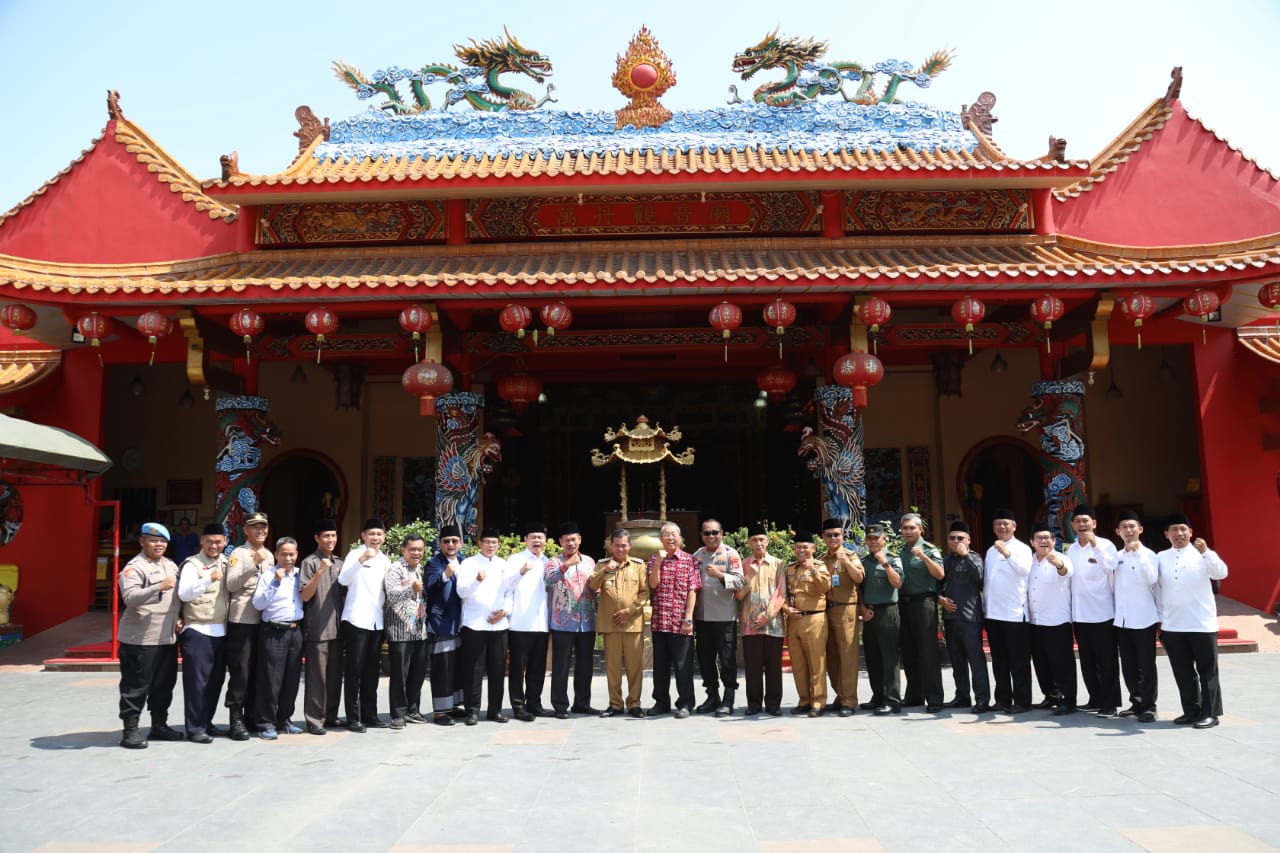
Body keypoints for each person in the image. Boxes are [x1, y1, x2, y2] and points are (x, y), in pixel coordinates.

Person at [1156, 513, 1229, 729]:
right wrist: (1161, 619)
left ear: (1190, 532)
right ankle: (1191, 711)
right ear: (1166, 534)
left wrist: (1206, 552)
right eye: (1174, 530)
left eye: (1183, 529)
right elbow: (1156, 589)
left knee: (1208, 671)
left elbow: (1221, 573)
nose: (1179, 533)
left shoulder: (1203, 555)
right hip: (1172, 625)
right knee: (1183, 672)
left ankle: (1210, 713)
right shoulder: (1160, 557)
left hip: (1201, 624)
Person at [116, 522, 182, 749]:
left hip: (166, 638)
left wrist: (180, 617)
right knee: (136, 687)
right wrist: (158, 587)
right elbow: (131, 597)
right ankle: (130, 731)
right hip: (140, 639)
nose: (159, 544)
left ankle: (159, 725)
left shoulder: (171, 565)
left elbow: (176, 599)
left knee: (164, 685)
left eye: (162, 541)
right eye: (153, 540)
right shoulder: (134, 568)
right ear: (142, 542)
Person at [176, 523, 230, 743]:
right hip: (197, 628)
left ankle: (207, 722)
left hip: (222, 630)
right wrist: (208, 578)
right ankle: (195, 727)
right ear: (201, 541)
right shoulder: (192, 564)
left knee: (216, 681)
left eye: (218, 541)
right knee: (197, 683)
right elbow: (184, 593)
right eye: (209, 541)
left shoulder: (228, 563)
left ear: (225, 542)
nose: (214, 546)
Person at [1067, 505, 1121, 717]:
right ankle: (1095, 698)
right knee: (1088, 661)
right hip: (1080, 614)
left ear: (1094, 524)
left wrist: (1095, 545)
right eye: (1078, 521)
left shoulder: (1106, 545)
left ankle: (1110, 704)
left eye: (1085, 521)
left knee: (1106, 661)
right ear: (1072, 525)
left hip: (1102, 613)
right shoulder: (1071, 549)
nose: (1082, 525)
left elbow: (1111, 567)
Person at [338, 517, 391, 732]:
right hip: (356, 620)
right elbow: (343, 580)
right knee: (354, 670)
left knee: (371, 671)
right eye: (371, 534)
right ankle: (353, 717)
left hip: (377, 622)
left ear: (384, 537)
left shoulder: (386, 560)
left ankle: (370, 714)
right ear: (363, 536)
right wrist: (361, 559)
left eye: (379, 534)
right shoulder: (354, 554)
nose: (375, 538)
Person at [456, 527, 513, 725]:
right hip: (474, 624)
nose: (490, 546)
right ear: (479, 543)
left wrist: (505, 611)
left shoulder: (503, 564)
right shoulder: (468, 563)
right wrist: (476, 581)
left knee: (498, 669)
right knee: (474, 670)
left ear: (498, 545)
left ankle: (495, 710)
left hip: (499, 625)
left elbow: (510, 592)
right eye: (487, 542)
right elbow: (462, 591)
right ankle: (472, 711)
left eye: (494, 543)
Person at [590, 528, 649, 718]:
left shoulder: (639, 566)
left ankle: (634, 704)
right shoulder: (602, 564)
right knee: (613, 667)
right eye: (617, 545)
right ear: (611, 546)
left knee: (634, 667)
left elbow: (645, 592)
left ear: (630, 546)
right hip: (610, 623)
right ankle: (615, 704)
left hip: (632, 623)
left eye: (624, 545)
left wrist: (629, 611)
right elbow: (592, 585)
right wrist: (605, 571)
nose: (620, 549)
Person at [224, 511, 272, 740]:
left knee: (258, 671)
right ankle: (236, 719)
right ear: (246, 530)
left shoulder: (270, 555)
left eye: (263, 527)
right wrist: (253, 565)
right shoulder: (239, 554)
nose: (260, 530)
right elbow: (231, 584)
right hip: (242, 620)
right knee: (241, 671)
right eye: (255, 527)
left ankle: (253, 716)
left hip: (264, 621)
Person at [252, 536, 306, 739]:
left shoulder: (301, 575)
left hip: (295, 631)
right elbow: (258, 604)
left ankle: (285, 719)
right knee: (270, 679)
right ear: (276, 555)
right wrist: (276, 581)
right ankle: (266, 722)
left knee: (291, 679)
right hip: (274, 631)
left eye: (292, 554)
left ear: (297, 554)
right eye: (283, 554)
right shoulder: (268, 576)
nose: (288, 558)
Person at [646, 521, 702, 718]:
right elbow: (653, 585)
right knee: (660, 666)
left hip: (680, 622)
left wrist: (688, 619)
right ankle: (661, 702)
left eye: (674, 534)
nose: (670, 538)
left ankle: (686, 703)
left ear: (680, 539)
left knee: (683, 665)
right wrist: (659, 562)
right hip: (660, 621)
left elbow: (692, 590)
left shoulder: (690, 560)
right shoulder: (653, 559)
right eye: (666, 534)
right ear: (661, 539)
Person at [544, 522, 598, 718]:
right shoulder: (553, 561)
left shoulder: (590, 562)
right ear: (560, 542)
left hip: (587, 622)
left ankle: (582, 703)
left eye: (574, 539)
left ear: (580, 540)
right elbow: (548, 581)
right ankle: (560, 705)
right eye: (566, 540)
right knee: (561, 666)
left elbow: (595, 587)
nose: (570, 543)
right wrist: (566, 565)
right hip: (563, 622)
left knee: (585, 666)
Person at [984, 508, 1034, 714]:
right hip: (993, 614)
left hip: (1015, 614)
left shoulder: (1022, 549)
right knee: (999, 661)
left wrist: (1007, 553)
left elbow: (1024, 570)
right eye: (998, 524)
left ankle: (1022, 701)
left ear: (1014, 526)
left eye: (1006, 523)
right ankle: (1003, 699)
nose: (1002, 527)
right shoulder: (989, 551)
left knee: (1018, 661)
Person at [692, 517, 743, 717]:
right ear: (702, 535)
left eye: (715, 532)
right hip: (703, 617)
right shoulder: (697, 555)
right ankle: (712, 696)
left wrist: (720, 576)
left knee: (727, 659)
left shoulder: (731, 555)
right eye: (707, 533)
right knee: (705, 659)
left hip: (724, 617)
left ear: (721, 534)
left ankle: (728, 698)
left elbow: (740, 581)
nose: (711, 536)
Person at [1113, 510, 1160, 722]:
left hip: (1144, 619)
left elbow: (1152, 578)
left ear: (1140, 529)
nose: (1128, 530)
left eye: (1132, 526)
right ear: (1118, 532)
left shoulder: (1149, 554)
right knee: (1129, 665)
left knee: (1146, 664)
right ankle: (1136, 702)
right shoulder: (1117, 556)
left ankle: (1150, 706)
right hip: (1121, 619)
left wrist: (1138, 554)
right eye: (1124, 527)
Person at [939, 521, 990, 713]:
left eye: (960, 538)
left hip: (970, 618)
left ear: (969, 540)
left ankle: (982, 699)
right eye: (952, 538)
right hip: (951, 618)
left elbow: (979, 578)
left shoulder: (975, 558)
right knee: (957, 660)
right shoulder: (946, 561)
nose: (956, 541)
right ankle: (962, 696)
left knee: (975, 660)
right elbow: (936, 585)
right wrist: (940, 599)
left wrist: (965, 555)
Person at [299, 519, 344, 735]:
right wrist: (319, 573)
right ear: (317, 538)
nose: (331, 540)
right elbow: (305, 595)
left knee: (335, 676)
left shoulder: (340, 562)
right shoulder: (309, 562)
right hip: (317, 628)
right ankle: (314, 720)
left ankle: (331, 716)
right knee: (317, 677)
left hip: (338, 627)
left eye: (333, 536)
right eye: (326, 536)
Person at [897, 512, 945, 713]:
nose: (908, 531)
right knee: (908, 652)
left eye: (912, 528)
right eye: (905, 528)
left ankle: (934, 698)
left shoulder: (930, 549)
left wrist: (924, 557)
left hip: (923, 602)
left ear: (921, 530)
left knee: (927, 652)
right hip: (903, 603)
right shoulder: (900, 551)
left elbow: (940, 574)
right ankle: (914, 695)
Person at [1027, 523, 1077, 715]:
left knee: (1062, 662)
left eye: (1047, 537)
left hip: (1057, 620)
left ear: (1054, 541)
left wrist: (1058, 564)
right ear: (1032, 542)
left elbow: (1066, 571)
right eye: (1039, 538)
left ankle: (1068, 699)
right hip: (1035, 620)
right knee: (1041, 661)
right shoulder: (1028, 561)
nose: (1043, 541)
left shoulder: (1062, 558)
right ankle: (1051, 695)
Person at [737, 524, 787, 716]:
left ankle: (774, 704)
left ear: (767, 541)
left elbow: (781, 592)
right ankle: (754, 704)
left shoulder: (778, 564)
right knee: (753, 667)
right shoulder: (743, 564)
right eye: (754, 540)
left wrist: (767, 615)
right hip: (750, 625)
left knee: (774, 666)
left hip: (773, 624)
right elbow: (739, 596)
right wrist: (749, 577)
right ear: (749, 543)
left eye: (761, 540)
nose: (758, 543)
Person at [384, 533, 430, 729]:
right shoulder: (395, 569)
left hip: (419, 630)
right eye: (412, 549)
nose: (417, 552)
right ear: (403, 550)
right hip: (400, 631)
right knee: (399, 675)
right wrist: (411, 588)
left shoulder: (420, 568)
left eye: (420, 549)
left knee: (417, 673)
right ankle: (398, 714)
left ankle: (413, 710)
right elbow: (391, 595)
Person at [507, 522, 551, 721]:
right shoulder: (515, 559)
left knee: (537, 667)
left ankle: (535, 702)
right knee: (518, 667)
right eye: (532, 537)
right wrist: (521, 571)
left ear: (545, 541)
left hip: (541, 623)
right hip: (520, 623)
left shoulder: (549, 562)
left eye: (540, 538)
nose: (536, 541)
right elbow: (506, 585)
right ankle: (518, 706)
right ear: (525, 540)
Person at [819, 519, 863, 717]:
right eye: (829, 535)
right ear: (823, 538)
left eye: (836, 534)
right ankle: (840, 695)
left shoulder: (851, 556)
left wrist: (845, 561)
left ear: (842, 536)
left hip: (846, 610)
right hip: (826, 611)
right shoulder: (821, 559)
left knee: (847, 656)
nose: (833, 538)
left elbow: (859, 578)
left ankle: (849, 700)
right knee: (832, 657)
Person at [859, 525, 904, 715]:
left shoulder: (893, 558)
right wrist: (862, 608)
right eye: (870, 538)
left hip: (887, 611)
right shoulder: (863, 561)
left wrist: (885, 563)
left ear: (884, 539)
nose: (873, 541)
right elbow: (858, 589)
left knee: (889, 657)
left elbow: (898, 583)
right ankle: (877, 696)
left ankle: (892, 700)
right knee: (872, 657)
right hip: (869, 612)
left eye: (877, 538)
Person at [783, 530, 830, 716]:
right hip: (794, 620)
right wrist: (786, 608)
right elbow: (783, 593)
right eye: (798, 547)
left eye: (805, 547)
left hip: (814, 618)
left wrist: (813, 569)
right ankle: (804, 700)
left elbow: (825, 588)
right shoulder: (790, 568)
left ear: (813, 548)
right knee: (799, 664)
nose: (801, 550)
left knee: (816, 663)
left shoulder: (821, 566)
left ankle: (818, 702)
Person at [424, 524, 466, 725]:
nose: (451, 544)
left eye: (454, 541)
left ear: (460, 543)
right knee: (443, 667)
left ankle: (454, 706)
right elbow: (429, 589)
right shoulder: (434, 563)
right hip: (441, 623)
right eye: (446, 541)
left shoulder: (465, 561)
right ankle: (440, 712)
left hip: (461, 622)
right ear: (440, 544)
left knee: (458, 666)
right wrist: (445, 575)